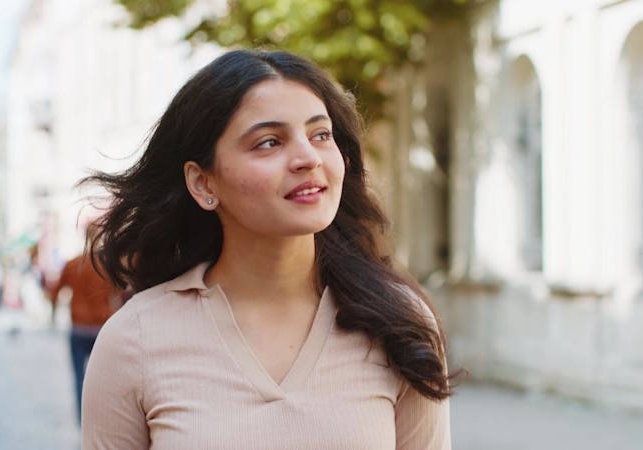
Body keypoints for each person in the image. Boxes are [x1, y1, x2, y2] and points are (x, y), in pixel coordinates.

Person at [81, 49, 456, 449]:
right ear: (203, 183)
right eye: (269, 142)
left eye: (320, 135)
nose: (308, 158)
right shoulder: (134, 341)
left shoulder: (398, 323)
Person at [48, 225, 120, 424]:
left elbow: (55, 293)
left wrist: (53, 316)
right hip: (102, 329)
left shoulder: (73, 264)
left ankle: (84, 422)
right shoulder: (108, 266)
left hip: (79, 328)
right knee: (106, 379)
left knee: (80, 378)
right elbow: (120, 294)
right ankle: (104, 419)